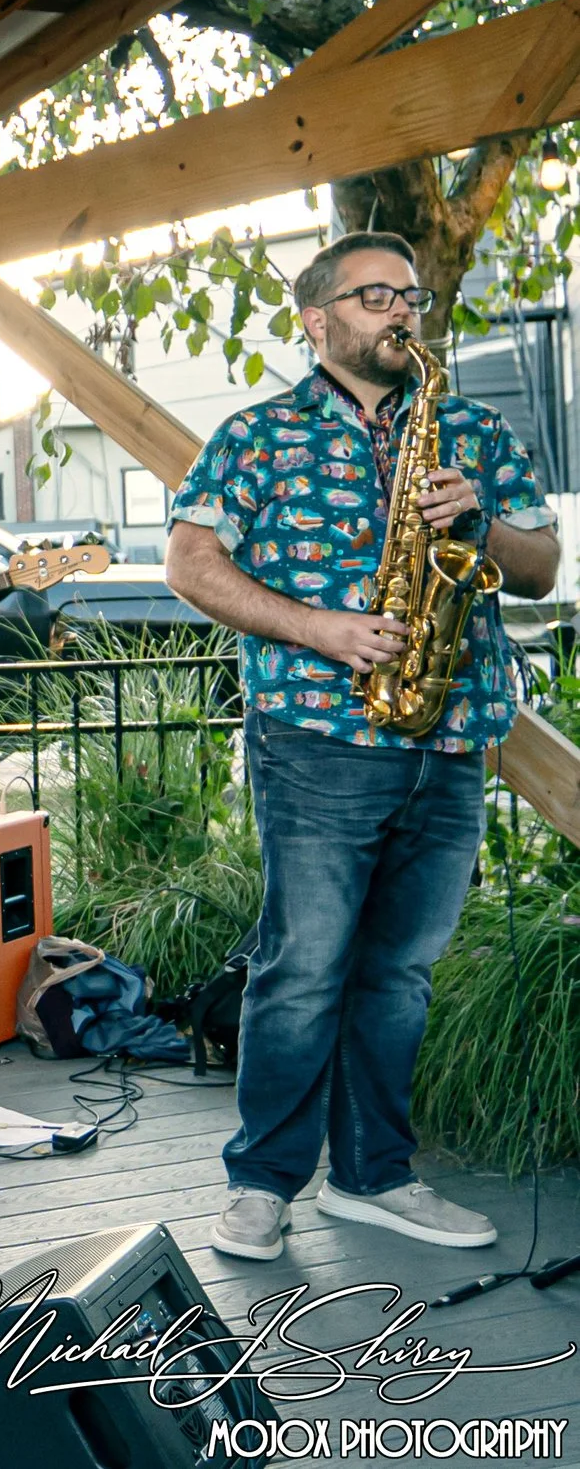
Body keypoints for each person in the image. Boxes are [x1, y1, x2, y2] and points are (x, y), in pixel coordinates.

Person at [165, 230, 557, 1262]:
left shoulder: (469, 428)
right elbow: (190, 562)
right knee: (302, 969)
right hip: (317, 734)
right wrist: (318, 628)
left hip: (450, 730)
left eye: (409, 296)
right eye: (374, 295)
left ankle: (374, 1175)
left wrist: (479, 522)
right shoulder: (258, 434)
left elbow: (540, 567)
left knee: (401, 976)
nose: (400, 312)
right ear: (316, 317)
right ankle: (262, 1184)